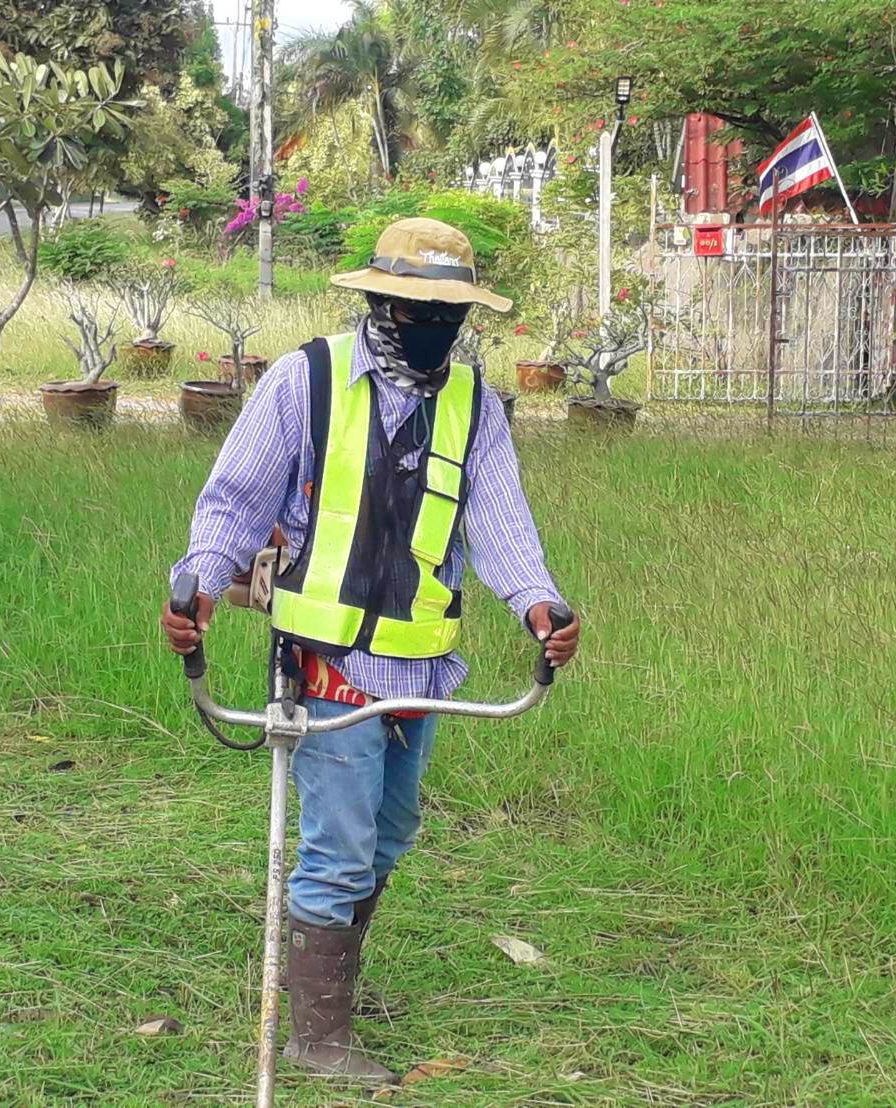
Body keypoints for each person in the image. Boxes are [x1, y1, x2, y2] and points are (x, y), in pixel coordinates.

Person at [160, 217, 580, 1085]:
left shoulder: (474, 405)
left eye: (446, 313)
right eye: (413, 308)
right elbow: (234, 503)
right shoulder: (302, 382)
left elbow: (497, 521)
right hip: (327, 664)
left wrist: (538, 604)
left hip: (422, 668)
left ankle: (329, 983)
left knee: (388, 837)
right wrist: (200, 584)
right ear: (380, 302)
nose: (429, 327)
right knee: (340, 845)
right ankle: (317, 1039)